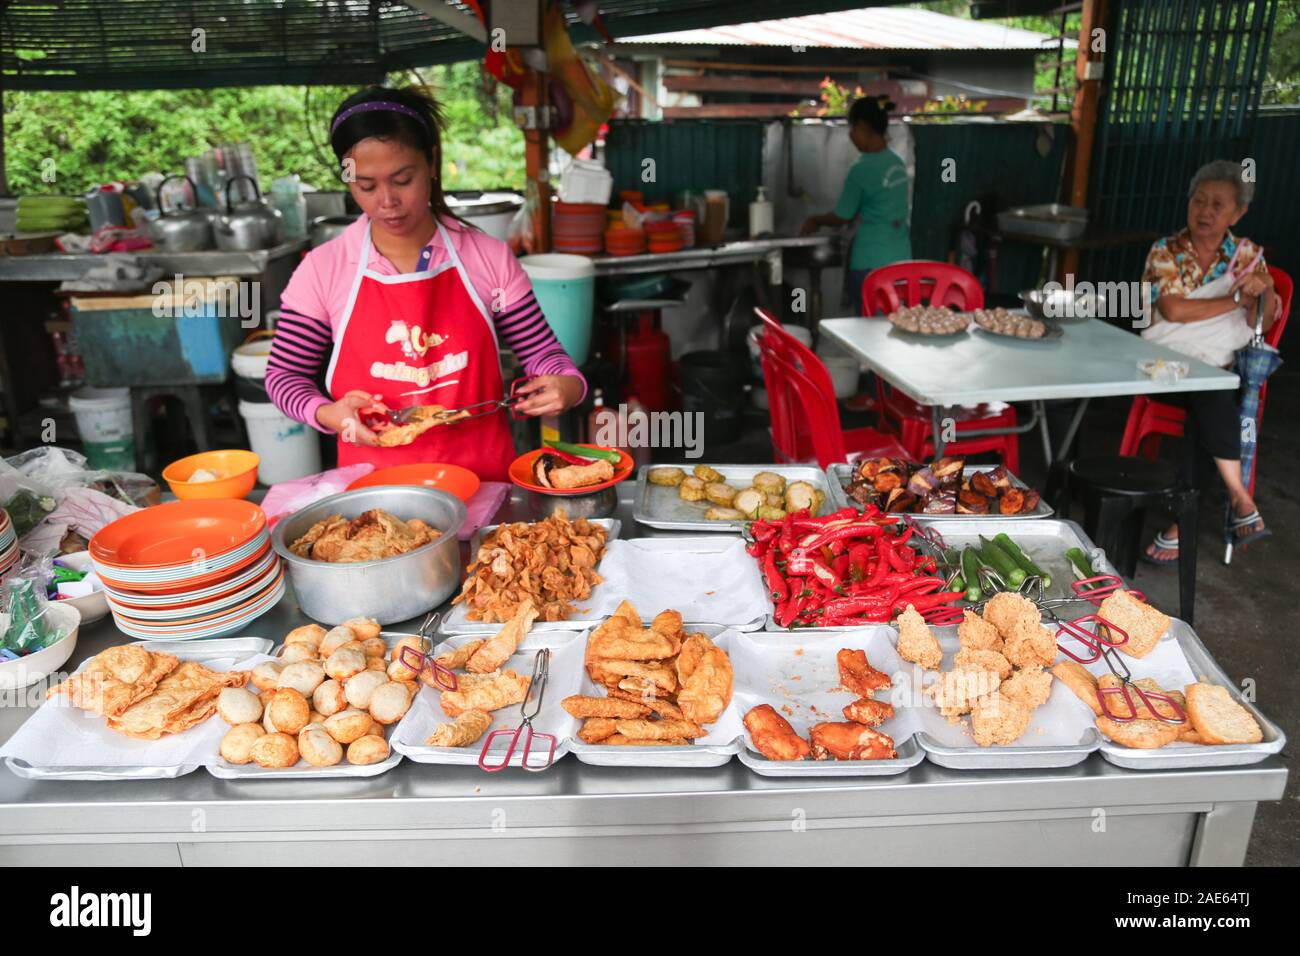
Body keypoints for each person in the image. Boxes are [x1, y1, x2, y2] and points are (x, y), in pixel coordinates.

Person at [266, 86, 586, 482]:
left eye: (403, 179)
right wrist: (327, 413)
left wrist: (567, 387)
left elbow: (543, 353)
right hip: (373, 503)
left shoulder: (487, 257)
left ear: (432, 162)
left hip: (484, 489)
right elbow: (284, 377)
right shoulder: (323, 269)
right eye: (366, 186)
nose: (387, 201)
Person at [1140, 159, 1278, 564]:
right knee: (1211, 391)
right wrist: (1236, 298)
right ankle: (1238, 497)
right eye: (1199, 200)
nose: (1205, 210)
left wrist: (1265, 289)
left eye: (1218, 204)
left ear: (1239, 212)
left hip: (1213, 368)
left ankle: (1188, 521)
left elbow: (1261, 323)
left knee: (1209, 393)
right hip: (1160, 365)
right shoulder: (1166, 251)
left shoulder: (1248, 256)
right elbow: (1175, 311)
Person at [800, 96, 911, 315]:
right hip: (901, 260)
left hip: (871, 261)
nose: (851, 136)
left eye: (852, 129)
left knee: (869, 331)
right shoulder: (896, 162)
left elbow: (843, 215)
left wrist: (816, 219)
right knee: (896, 326)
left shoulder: (861, 170)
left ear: (862, 126)